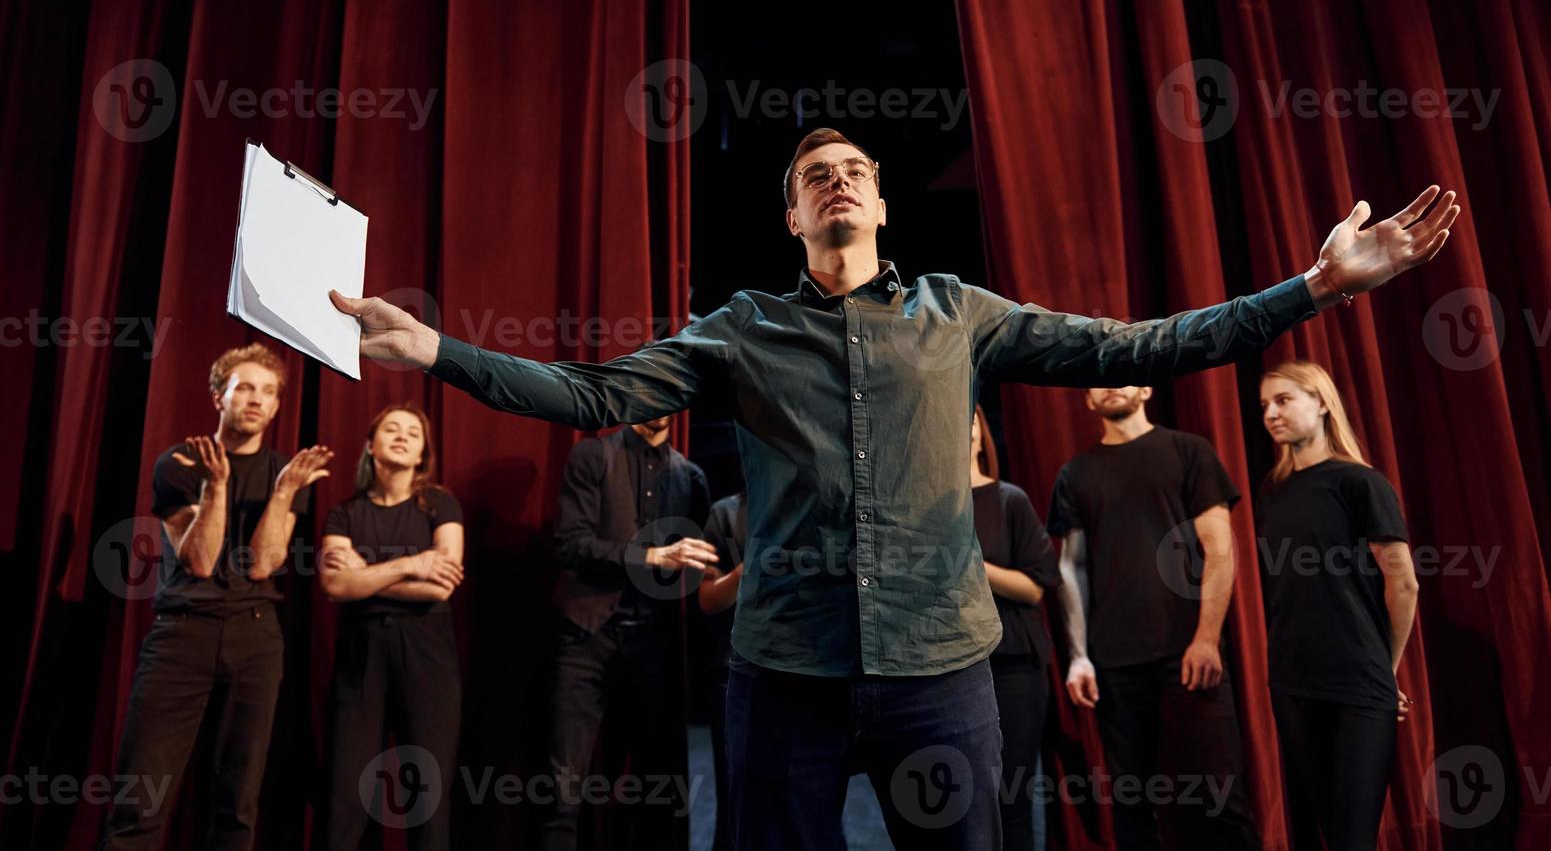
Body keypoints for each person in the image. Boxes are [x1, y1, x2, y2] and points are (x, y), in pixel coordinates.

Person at [329, 126, 1458, 850]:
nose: (841, 182)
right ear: (793, 217)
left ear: (880, 205)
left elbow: (1138, 341)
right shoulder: (742, 327)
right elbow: (588, 391)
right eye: (816, 175)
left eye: (858, 170)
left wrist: (1313, 286)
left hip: (941, 670)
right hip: (783, 676)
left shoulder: (960, 312)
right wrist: (436, 352)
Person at [100, 343, 332, 851]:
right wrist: (217, 489)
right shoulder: (180, 463)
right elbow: (200, 561)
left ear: (276, 407)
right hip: (183, 634)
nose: (256, 399)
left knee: (238, 801)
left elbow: (262, 563)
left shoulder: (286, 475)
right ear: (218, 397)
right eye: (245, 387)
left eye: (268, 392)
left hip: (255, 637)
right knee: (141, 796)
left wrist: (284, 494)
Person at [1048, 387, 1259, 849]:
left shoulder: (1188, 451)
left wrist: (1206, 638)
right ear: (1087, 401)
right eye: (1097, 380)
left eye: (1123, 373)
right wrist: (1079, 656)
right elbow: (1072, 567)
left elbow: (1219, 549)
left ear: (1145, 388)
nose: (1110, 384)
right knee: (1133, 806)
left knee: (1218, 796)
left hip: (1188, 652)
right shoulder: (1076, 472)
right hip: (1115, 663)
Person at [1255, 361, 1418, 851]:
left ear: (1322, 402)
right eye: (1264, 405)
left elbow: (1404, 583)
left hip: (1357, 683)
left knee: (1351, 838)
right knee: (1309, 833)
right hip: (1291, 681)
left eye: (1283, 400)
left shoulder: (1359, 483)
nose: (1271, 413)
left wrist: (1385, 672)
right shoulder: (1273, 490)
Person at [542, 414, 712, 851]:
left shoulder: (690, 476)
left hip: (653, 644)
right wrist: (651, 557)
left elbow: (700, 568)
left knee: (659, 789)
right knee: (564, 788)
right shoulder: (592, 455)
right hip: (586, 638)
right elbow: (570, 544)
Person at [317, 403, 465, 850]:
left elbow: (441, 586)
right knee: (345, 793)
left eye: (413, 433)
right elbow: (335, 585)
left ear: (422, 453)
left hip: (427, 653)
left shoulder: (440, 503)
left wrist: (367, 575)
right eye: (391, 430)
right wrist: (410, 564)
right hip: (361, 655)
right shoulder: (344, 514)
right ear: (370, 445)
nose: (402, 437)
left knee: (427, 792)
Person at [968, 405, 1061, 851]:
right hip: (951, 670)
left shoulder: (1009, 500)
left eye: (964, 421)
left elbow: (1036, 587)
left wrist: (972, 565)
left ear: (979, 433)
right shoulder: (918, 509)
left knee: (1012, 802)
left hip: (1013, 668)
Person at [696, 490, 747, 851]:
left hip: (807, 672)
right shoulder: (725, 513)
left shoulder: (811, 501)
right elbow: (708, 599)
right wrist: (748, 571)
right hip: (734, 670)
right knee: (735, 800)